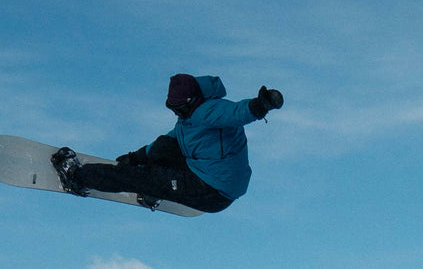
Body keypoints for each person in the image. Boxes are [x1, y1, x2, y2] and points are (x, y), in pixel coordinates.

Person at [52, 74, 283, 212]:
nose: (177, 113)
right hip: (207, 171)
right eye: (172, 109)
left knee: (139, 178)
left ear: (191, 101)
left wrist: (262, 104)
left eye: (179, 108)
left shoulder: (213, 110)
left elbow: (239, 112)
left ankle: (76, 177)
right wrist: (137, 157)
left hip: (214, 191)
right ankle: (156, 187)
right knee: (165, 147)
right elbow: (169, 143)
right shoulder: (189, 119)